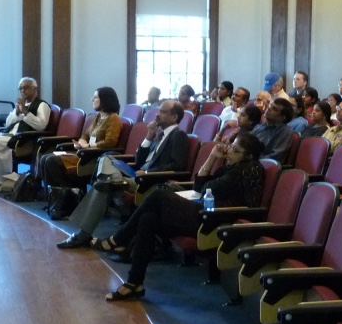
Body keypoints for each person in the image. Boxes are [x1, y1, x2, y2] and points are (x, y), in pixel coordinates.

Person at [102, 132, 266, 301]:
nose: (229, 151)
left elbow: (207, 189)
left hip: (219, 222)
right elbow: (199, 186)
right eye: (231, 146)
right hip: (207, 213)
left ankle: (119, 239)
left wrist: (210, 179)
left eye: (235, 150)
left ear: (249, 156)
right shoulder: (232, 167)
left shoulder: (246, 170)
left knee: (158, 195)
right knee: (148, 219)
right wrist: (212, 157)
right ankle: (134, 282)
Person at [56, 100, 191, 248]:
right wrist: (149, 136)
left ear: (174, 117)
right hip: (136, 175)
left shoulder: (179, 135)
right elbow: (139, 161)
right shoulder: (159, 134)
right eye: (158, 110)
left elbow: (177, 166)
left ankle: (83, 235)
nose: (157, 114)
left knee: (102, 186)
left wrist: (147, 173)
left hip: (149, 180)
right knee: (107, 158)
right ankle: (116, 182)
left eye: (163, 112)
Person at [0, 77, 51, 188]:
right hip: (10, 134)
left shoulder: (42, 105)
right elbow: (8, 123)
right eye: (20, 88)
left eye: (26, 87)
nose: (23, 90)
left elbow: (41, 125)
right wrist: (16, 113)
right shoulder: (21, 105)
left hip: (23, 139)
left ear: (34, 89)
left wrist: (26, 112)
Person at [40, 87, 122, 191]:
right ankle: (54, 194)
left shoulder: (114, 118)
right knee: (44, 158)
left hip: (93, 158)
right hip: (85, 153)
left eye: (95, 97)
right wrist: (81, 143)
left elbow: (110, 142)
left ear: (104, 100)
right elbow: (85, 135)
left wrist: (88, 146)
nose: (92, 99)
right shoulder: (98, 117)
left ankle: (67, 193)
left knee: (50, 161)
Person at [252, 97, 295, 162]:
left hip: (260, 164)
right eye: (270, 105)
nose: (269, 108)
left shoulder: (285, 132)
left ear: (283, 117)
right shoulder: (260, 126)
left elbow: (275, 157)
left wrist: (252, 160)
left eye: (274, 109)